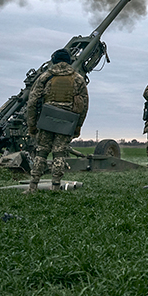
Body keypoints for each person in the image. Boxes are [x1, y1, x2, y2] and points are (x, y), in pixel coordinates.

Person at [24, 48, 88, 193]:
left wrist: (32, 125)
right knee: (59, 153)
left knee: (41, 152)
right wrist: (78, 126)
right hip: (67, 121)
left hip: (47, 119)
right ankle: (56, 186)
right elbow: (83, 105)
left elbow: (32, 102)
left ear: (54, 60)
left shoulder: (45, 77)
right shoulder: (78, 78)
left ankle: (33, 186)